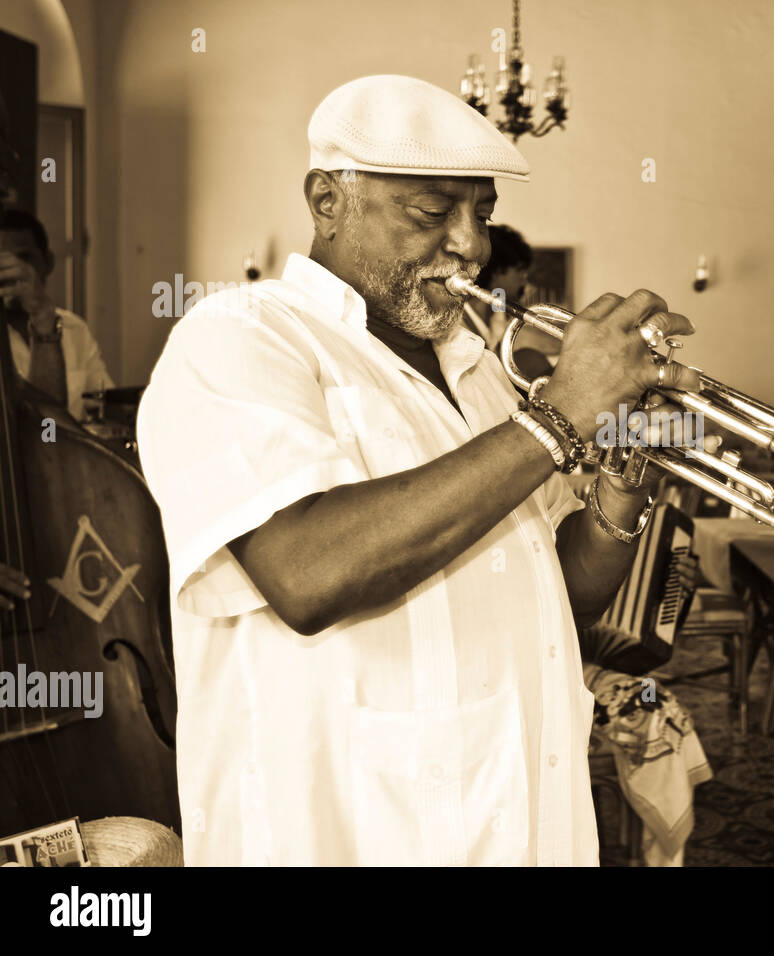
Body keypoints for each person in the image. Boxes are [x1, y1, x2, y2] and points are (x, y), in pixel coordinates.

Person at [135, 74, 700, 866]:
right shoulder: (236, 337)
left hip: (521, 817)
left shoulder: (480, 373)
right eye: (433, 212)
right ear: (327, 199)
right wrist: (561, 415)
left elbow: (561, 594)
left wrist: (626, 478)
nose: (469, 243)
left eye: (482, 214)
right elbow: (308, 572)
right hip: (354, 832)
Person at [0, 209, 113, 422]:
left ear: (48, 262)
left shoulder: (75, 329)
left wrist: (43, 317)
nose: (16, 271)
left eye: (24, 258)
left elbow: (103, 410)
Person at [460, 223, 553, 382]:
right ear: (497, 272)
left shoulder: (496, 317)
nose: (524, 279)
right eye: (519, 271)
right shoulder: (460, 325)